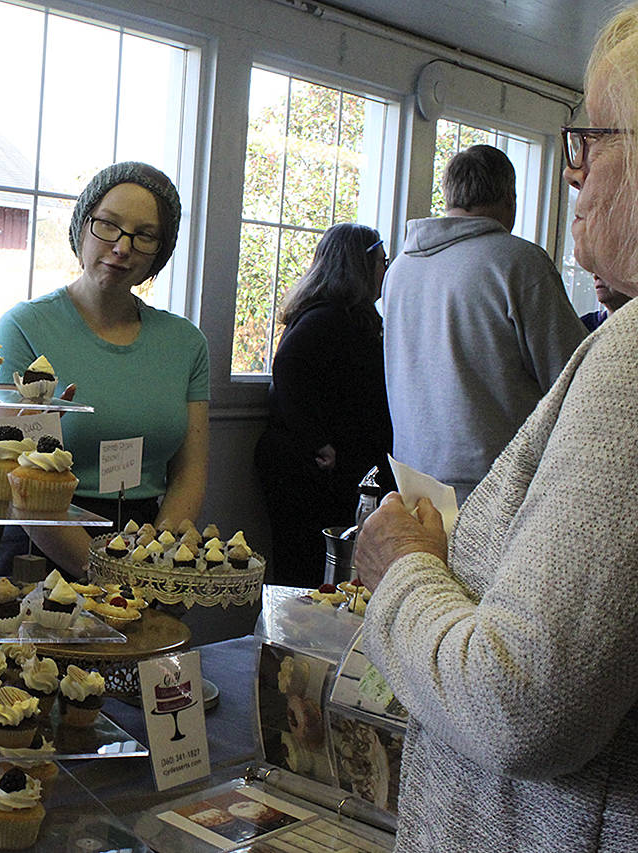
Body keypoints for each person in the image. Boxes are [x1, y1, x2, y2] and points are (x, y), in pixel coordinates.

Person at [355, 7, 638, 849]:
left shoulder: (628, 361)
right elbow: (556, 368)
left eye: (589, 139)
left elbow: (521, 706)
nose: (575, 173)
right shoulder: (523, 266)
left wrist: (401, 573)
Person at [0, 162, 210, 576]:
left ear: (159, 250)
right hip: (41, 550)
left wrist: (156, 564)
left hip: (149, 546)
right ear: (82, 227)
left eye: (144, 235)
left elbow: (190, 472)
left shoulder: (185, 343)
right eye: (108, 225)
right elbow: (18, 477)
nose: (122, 247)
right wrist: (110, 575)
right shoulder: (24, 327)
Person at [382, 144, 584, 504]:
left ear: (449, 195)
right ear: (510, 198)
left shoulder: (399, 270)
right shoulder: (517, 262)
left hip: (414, 484)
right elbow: (574, 381)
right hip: (495, 491)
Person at [254, 224, 394, 587]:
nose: (386, 269)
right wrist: (317, 442)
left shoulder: (344, 317)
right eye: (382, 261)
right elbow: (288, 368)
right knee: (306, 573)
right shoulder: (327, 317)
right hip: (308, 474)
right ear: (361, 266)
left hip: (319, 471)